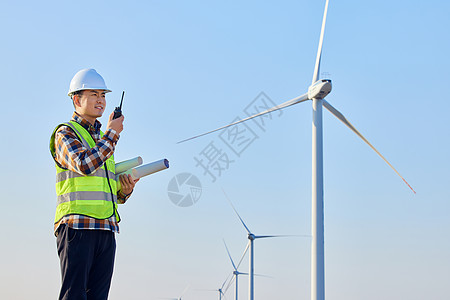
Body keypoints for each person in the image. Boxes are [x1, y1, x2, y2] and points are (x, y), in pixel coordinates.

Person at [49, 68, 139, 300]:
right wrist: (112, 134)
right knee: (74, 296)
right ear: (77, 99)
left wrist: (124, 191)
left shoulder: (102, 140)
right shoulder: (66, 133)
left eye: (103, 95)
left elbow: (105, 186)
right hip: (77, 228)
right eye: (94, 95)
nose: (101, 101)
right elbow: (84, 165)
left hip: (106, 229)